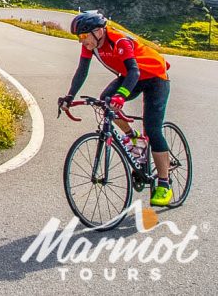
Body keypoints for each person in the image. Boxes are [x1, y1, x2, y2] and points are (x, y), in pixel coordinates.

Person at [58, 11, 174, 206]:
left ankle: (164, 183)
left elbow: (134, 71)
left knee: (152, 129)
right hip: (131, 76)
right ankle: (133, 136)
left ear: (98, 31)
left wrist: (121, 96)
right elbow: (81, 71)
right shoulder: (91, 46)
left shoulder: (119, 41)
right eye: (79, 37)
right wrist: (69, 96)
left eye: (84, 36)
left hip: (154, 77)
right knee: (105, 100)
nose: (82, 41)